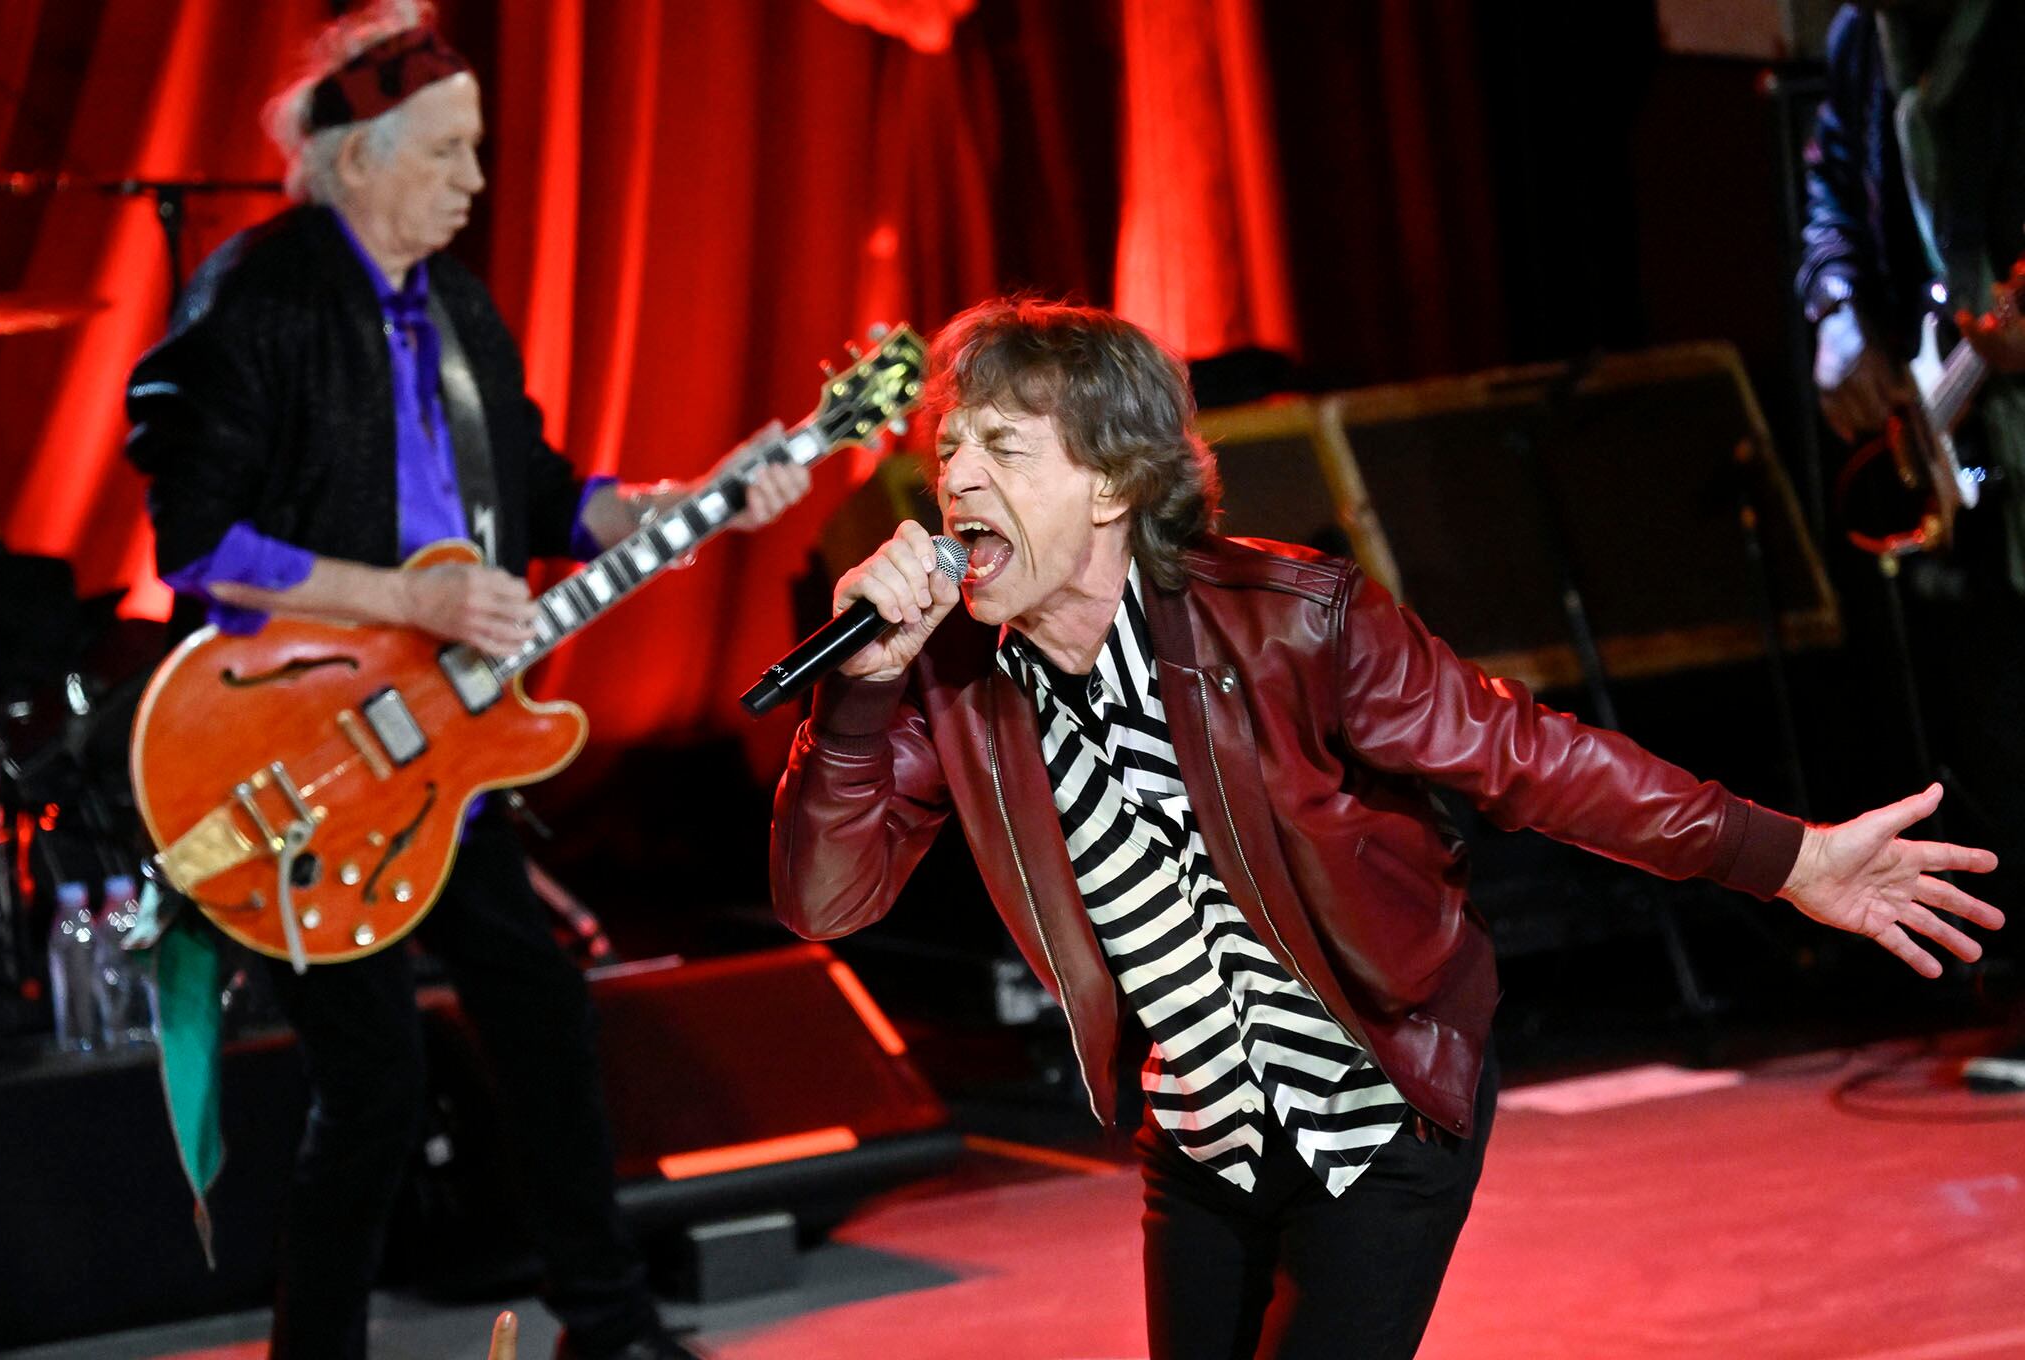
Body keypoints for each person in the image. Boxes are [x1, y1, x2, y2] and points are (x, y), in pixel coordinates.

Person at [767, 297, 2004, 1359]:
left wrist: (1786, 857)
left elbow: (1531, 760)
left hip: (1381, 1105)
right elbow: (825, 901)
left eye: (1002, 447)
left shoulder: (1289, 619)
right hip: (1201, 1136)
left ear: (1109, 483)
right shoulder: (954, 688)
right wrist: (860, 688)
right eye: (949, 450)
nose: (958, 480)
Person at [123, 6, 807, 1358]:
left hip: (445, 748)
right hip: (296, 749)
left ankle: (604, 1326)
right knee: (372, 1089)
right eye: (447, 152)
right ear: (359, 159)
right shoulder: (257, 295)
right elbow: (197, 540)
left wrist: (700, 501)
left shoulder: (459, 315)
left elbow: (548, 498)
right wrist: (409, 600)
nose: (475, 181)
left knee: (545, 1016)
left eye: (478, 151)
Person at [1801, 0, 2025, 1093]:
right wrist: (1836, 307)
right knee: (1991, 711)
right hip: (1969, 423)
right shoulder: (1866, 33)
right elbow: (1834, 184)